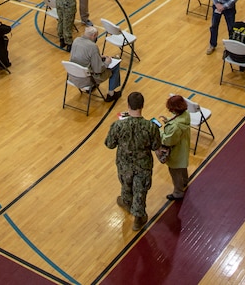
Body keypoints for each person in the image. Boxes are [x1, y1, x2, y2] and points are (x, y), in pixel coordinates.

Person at [105, 91, 161, 230]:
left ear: (128, 105)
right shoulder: (150, 127)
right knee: (140, 191)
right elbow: (155, 146)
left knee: (126, 185)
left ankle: (126, 202)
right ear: (142, 105)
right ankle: (138, 218)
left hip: (124, 164)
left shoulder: (118, 126)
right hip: (143, 165)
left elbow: (109, 144)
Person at [70, 26, 122, 101]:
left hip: (73, 76)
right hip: (87, 79)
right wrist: (107, 63)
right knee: (115, 66)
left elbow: (83, 57)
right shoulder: (92, 47)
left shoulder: (76, 41)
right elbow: (98, 69)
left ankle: (93, 87)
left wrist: (98, 57)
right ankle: (111, 94)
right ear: (94, 35)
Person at [158, 95, 191, 201]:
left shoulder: (175, 127)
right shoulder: (186, 115)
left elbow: (168, 140)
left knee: (175, 171)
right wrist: (168, 121)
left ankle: (178, 192)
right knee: (182, 166)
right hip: (183, 148)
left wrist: (159, 131)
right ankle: (185, 180)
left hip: (176, 152)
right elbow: (177, 121)